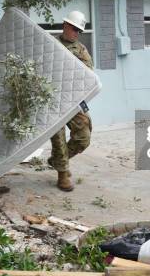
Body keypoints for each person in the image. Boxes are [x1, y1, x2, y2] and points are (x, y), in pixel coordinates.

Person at [48, 10, 93, 191]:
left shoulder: (82, 50)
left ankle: (56, 161)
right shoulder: (51, 44)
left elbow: (88, 75)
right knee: (58, 139)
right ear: (65, 25)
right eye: (74, 28)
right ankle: (63, 173)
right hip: (52, 100)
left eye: (79, 31)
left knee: (83, 138)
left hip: (72, 99)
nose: (76, 33)